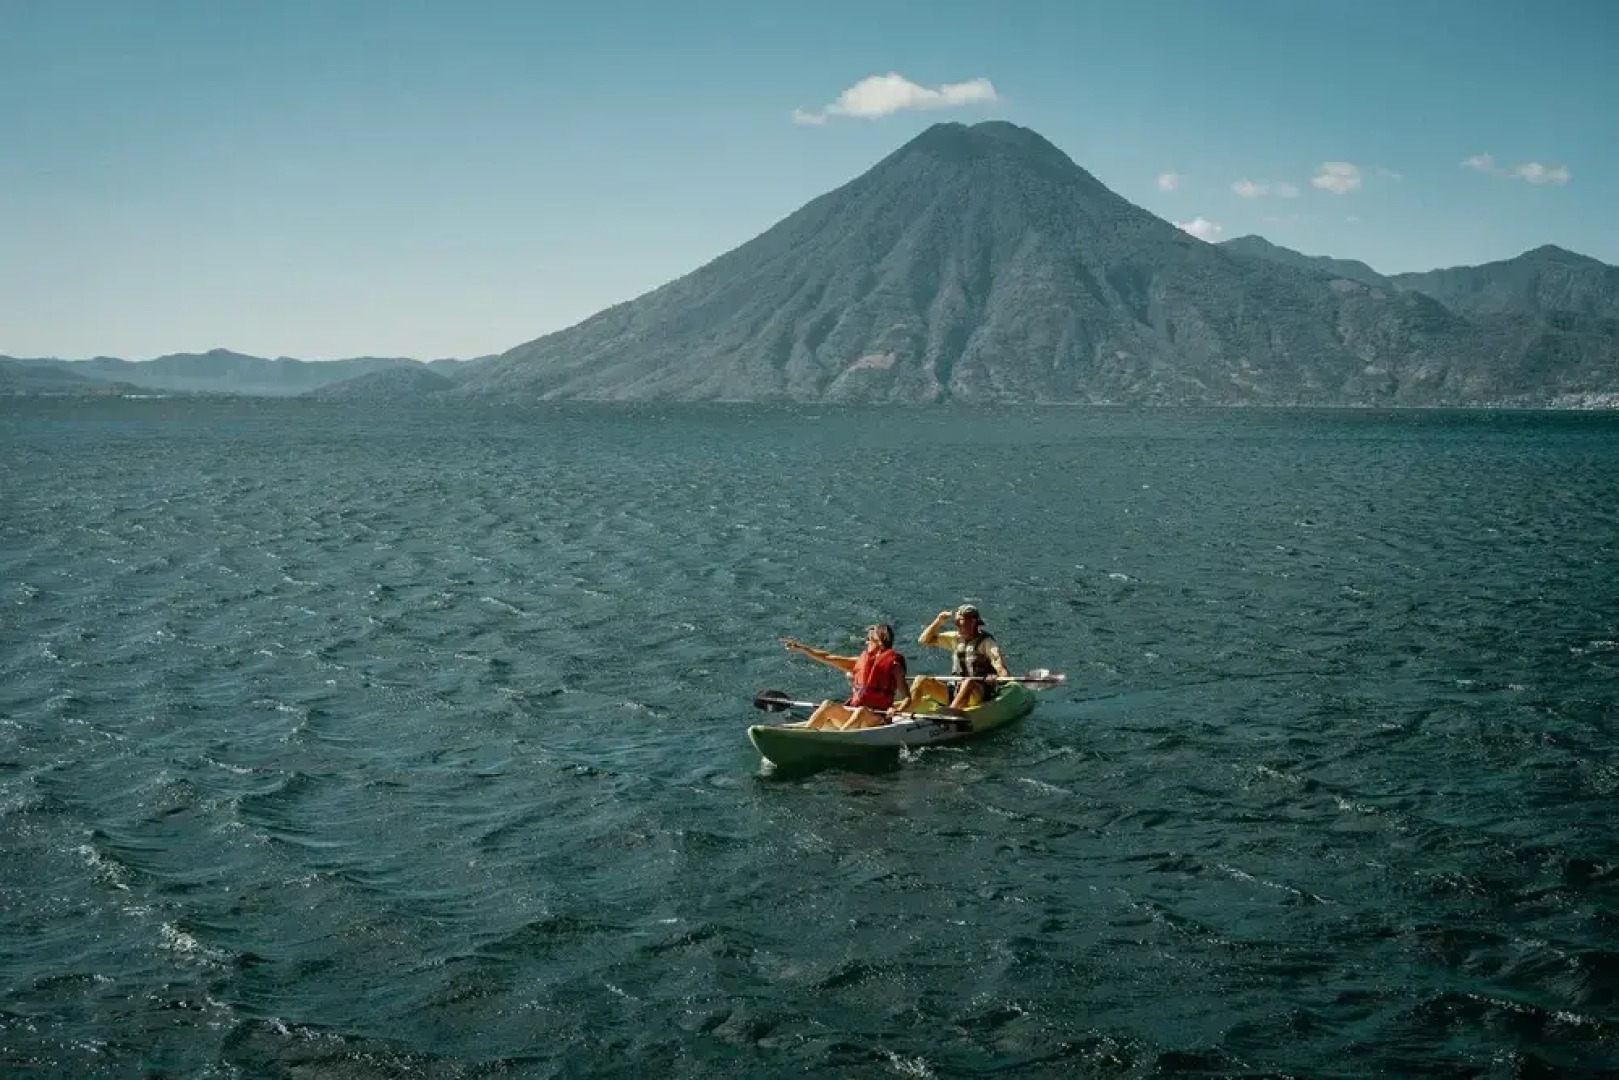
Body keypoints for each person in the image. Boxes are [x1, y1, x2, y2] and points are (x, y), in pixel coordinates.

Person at [781, 624, 909, 730]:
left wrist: (896, 710)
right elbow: (827, 657)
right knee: (827, 705)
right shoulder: (858, 662)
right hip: (853, 714)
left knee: (861, 711)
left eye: (869, 639)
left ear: (880, 642)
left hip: (878, 719)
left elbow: (907, 698)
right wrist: (802, 648)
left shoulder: (894, 666)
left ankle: (839, 738)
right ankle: (805, 735)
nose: (866, 642)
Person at [909, 604, 1011, 714]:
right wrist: (938, 621)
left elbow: (999, 665)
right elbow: (924, 640)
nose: (957, 625)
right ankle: (904, 712)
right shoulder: (955, 638)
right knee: (921, 680)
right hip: (954, 689)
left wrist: (999, 677)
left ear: (973, 622)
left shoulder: (987, 643)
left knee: (968, 681)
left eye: (961, 621)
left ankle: (950, 713)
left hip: (977, 692)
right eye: (956, 622)